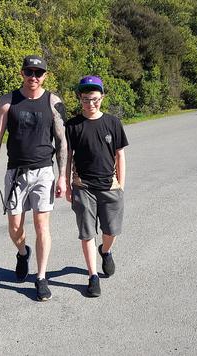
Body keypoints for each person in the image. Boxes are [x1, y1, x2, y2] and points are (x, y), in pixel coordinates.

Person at [0, 55, 67, 301]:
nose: (34, 77)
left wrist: (62, 177)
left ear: (45, 76)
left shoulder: (53, 102)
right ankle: (22, 253)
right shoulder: (8, 102)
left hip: (43, 172)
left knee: (42, 226)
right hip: (15, 172)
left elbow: (61, 141)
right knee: (15, 227)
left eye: (39, 73)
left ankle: (40, 277)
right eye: (29, 72)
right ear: (22, 73)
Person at [65, 75, 128, 297]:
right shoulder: (73, 125)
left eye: (94, 99)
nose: (90, 104)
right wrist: (67, 183)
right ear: (79, 99)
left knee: (111, 231)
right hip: (83, 186)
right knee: (87, 233)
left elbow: (120, 155)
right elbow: (68, 157)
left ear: (102, 97)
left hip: (110, 186)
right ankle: (92, 276)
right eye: (85, 99)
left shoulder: (113, 123)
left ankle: (106, 251)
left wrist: (121, 184)